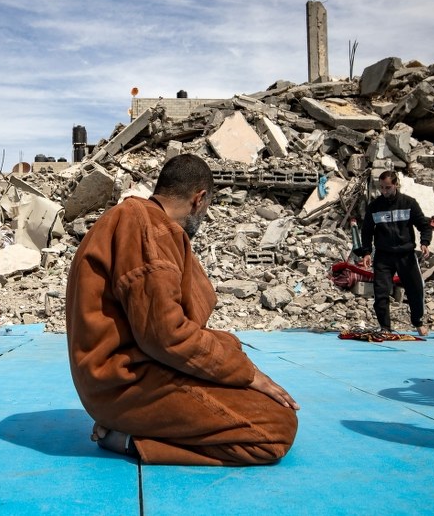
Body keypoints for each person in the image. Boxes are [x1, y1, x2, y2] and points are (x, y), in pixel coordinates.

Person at [65, 154, 300, 466]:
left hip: (129, 372)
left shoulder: (139, 220)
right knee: (276, 425)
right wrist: (248, 375)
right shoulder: (148, 230)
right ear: (199, 199)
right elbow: (166, 335)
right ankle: (130, 439)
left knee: (229, 345)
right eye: (207, 207)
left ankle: (137, 423)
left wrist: (233, 361)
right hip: (124, 383)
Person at [354, 170, 432, 336]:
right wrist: (366, 252)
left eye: (387, 187)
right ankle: (385, 327)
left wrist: (425, 242)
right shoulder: (374, 207)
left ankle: (418, 322)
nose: (384, 191)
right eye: (381, 187)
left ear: (396, 185)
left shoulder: (408, 203)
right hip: (383, 256)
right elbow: (366, 231)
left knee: (415, 290)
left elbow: (423, 225)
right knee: (381, 292)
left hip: (406, 255)